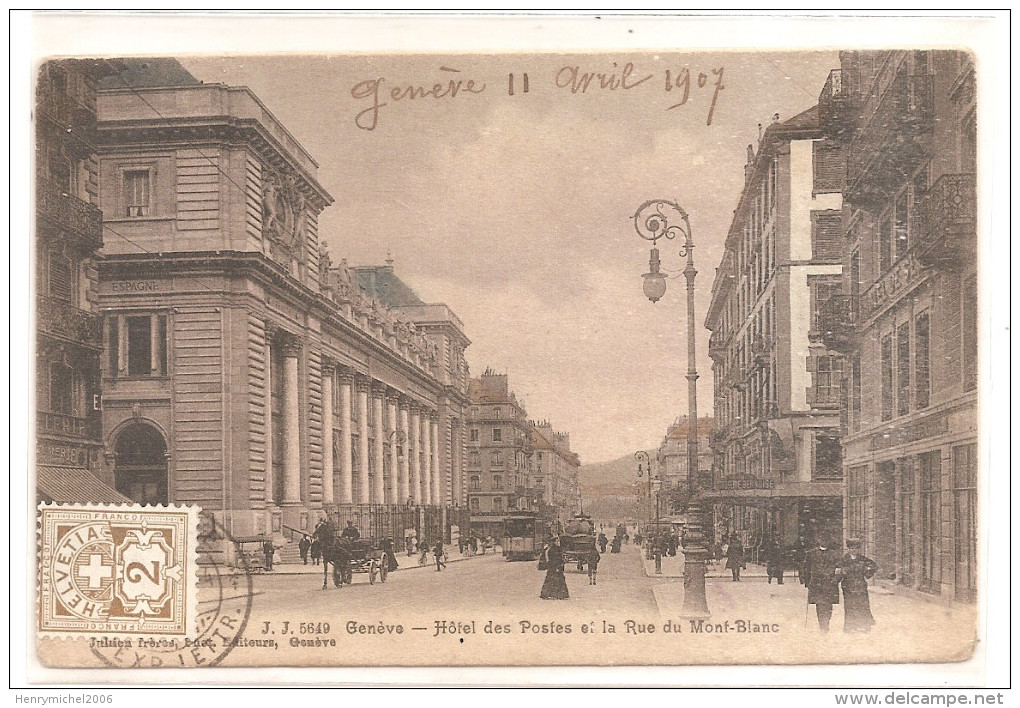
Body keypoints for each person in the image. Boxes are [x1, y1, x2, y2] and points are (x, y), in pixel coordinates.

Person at [802, 536, 842, 632]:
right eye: (822, 539)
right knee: (819, 605)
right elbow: (806, 568)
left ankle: (826, 622)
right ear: (818, 541)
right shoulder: (811, 553)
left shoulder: (835, 554)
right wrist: (808, 582)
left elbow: (840, 569)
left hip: (830, 584)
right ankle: (823, 626)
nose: (824, 541)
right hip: (817, 584)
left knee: (828, 606)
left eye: (826, 540)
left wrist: (835, 580)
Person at [840, 539, 878, 633]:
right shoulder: (844, 560)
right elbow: (837, 571)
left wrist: (867, 574)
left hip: (860, 585)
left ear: (859, 549)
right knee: (850, 606)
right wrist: (839, 576)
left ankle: (864, 626)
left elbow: (874, 566)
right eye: (852, 548)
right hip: (848, 586)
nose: (854, 550)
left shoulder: (863, 559)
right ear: (848, 549)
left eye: (856, 548)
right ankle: (850, 627)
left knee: (862, 605)